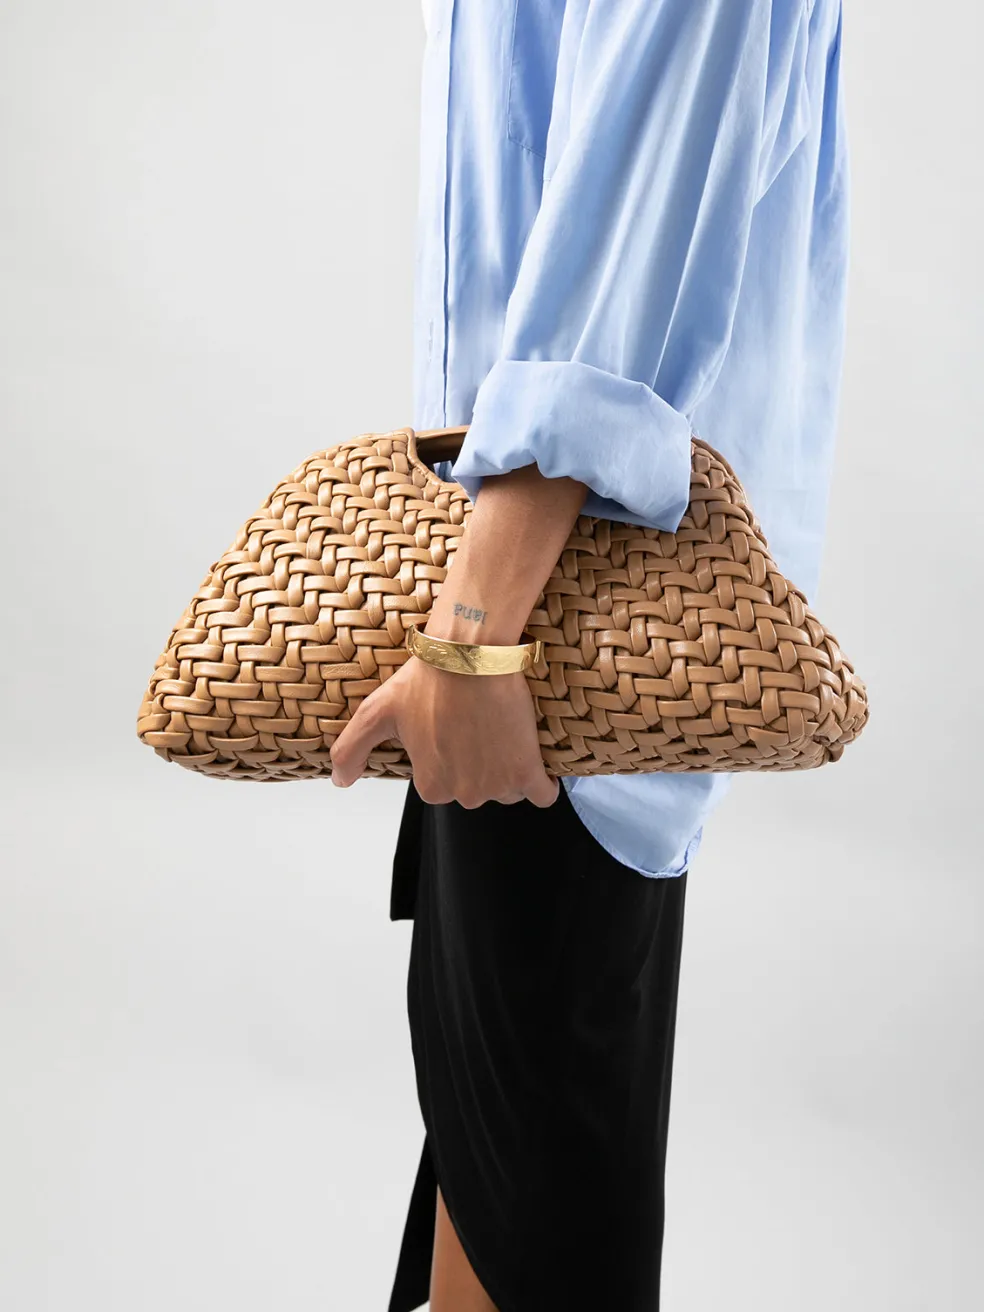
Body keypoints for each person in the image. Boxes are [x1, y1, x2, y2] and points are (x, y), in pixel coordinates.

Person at [329, 1, 850, 1308]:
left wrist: (474, 636)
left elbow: (639, 190)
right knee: (499, 1184)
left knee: (532, 1221)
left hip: (557, 614)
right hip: (528, 588)